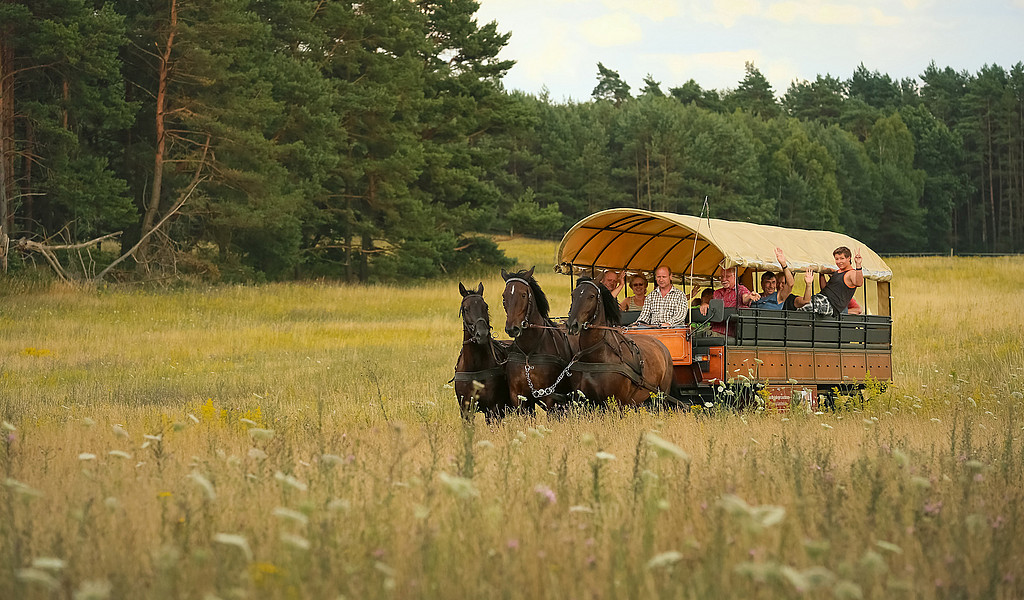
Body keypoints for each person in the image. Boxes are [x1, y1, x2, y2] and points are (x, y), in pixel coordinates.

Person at [794, 246, 864, 316]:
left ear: (849, 258)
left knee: (806, 308)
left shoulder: (851, 273)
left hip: (831, 305)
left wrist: (858, 265)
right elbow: (824, 288)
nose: (839, 262)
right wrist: (821, 274)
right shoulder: (837, 272)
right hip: (821, 298)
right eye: (837, 259)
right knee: (799, 304)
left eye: (842, 259)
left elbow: (859, 283)